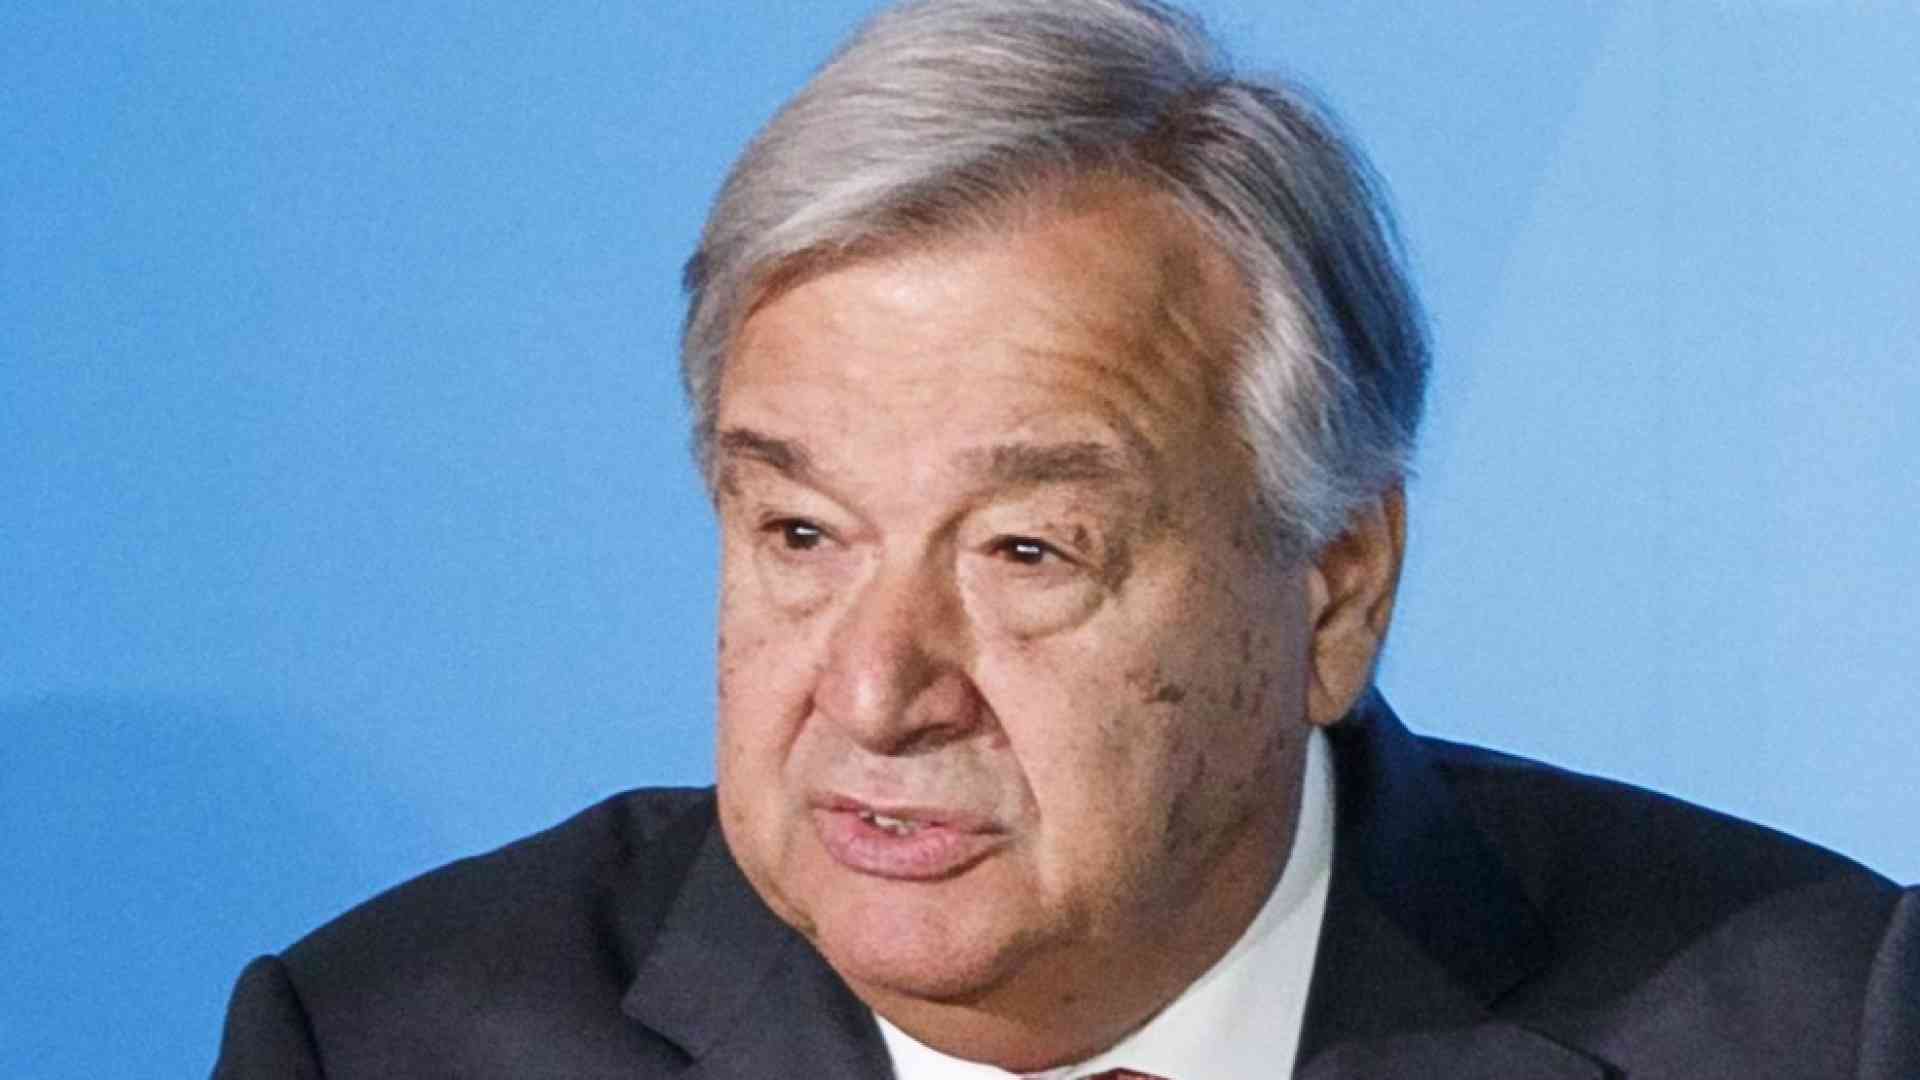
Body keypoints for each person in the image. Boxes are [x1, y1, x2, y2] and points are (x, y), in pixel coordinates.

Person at [213, 1, 1917, 1076]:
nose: (876, 693)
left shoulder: (1820, 1030)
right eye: (801, 532)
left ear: (1335, 588)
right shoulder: (385, 1041)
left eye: (1027, 552)